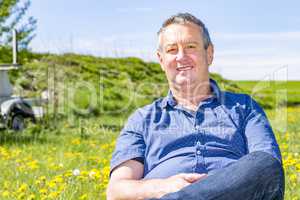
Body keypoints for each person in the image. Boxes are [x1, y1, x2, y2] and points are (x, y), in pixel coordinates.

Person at [106, 13, 284, 200]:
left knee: (266, 163)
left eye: (190, 47)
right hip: (162, 194)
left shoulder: (244, 107)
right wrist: (162, 187)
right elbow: (116, 191)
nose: (181, 57)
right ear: (161, 60)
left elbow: (266, 168)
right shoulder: (142, 119)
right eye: (172, 50)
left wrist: (202, 191)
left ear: (209, 53)